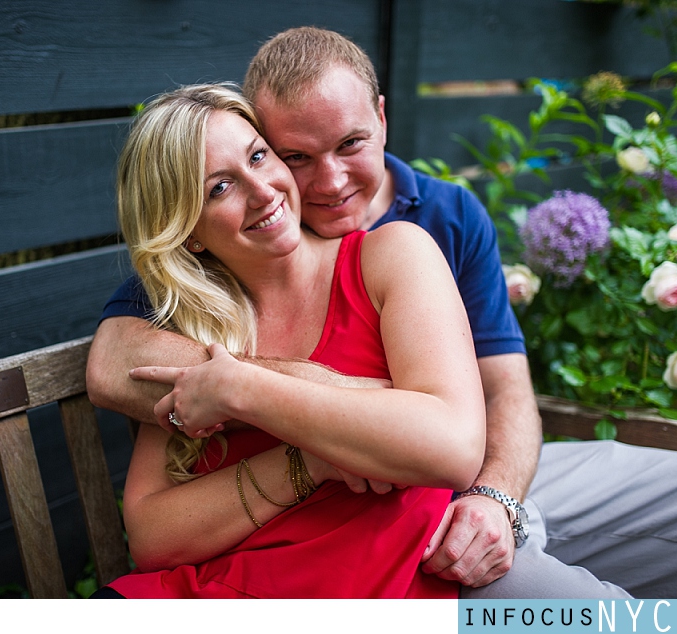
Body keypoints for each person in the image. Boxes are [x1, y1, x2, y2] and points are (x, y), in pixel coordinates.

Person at [88, 27, 677, 598]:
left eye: (349, 144)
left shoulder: (435, 224)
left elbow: (495, 400)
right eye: (297, 156)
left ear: (382, 120)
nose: (328, 181)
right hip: (301, 553)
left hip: (465, 492)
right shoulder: (201, 292)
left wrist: (493, 499)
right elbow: (116, 364)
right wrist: (338, 435)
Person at [91, 83, 485, 598]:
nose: (263, 191)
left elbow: (451, 449)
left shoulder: (390, 257)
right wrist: (311, 461)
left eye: (258, 156)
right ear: (187, 231)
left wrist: (244, 390)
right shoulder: (193, 326)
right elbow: (151, 538)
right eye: (219, 188)